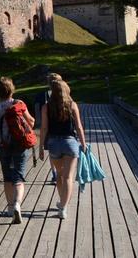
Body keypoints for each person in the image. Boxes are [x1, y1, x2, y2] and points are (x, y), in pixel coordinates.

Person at [0, 76, 35, 224]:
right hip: (19, 144)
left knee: (7, 177)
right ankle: (18, 205)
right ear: (12, 89)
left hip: (2, 145)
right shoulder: (19, 103)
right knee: (19, 177)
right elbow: (31, 121)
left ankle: (9, 208)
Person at [39, 79, 87, 220]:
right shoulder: (72, 105)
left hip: (54, 143)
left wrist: (41, 146)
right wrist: (83, 143)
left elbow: (44, 128)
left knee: (59, 175)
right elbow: (78, 127)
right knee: (68, 177)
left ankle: (61, 202)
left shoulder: (46, 107)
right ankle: (64, 207)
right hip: (70, 143)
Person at [33, 73, 62, 180]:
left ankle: (54, 173)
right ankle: (60, 172)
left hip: (48, 129)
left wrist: (37, 127)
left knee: (52, 151)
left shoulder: (41, 96)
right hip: (63, 127)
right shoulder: (65, 95)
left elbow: (37, 113)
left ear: (48, 83)